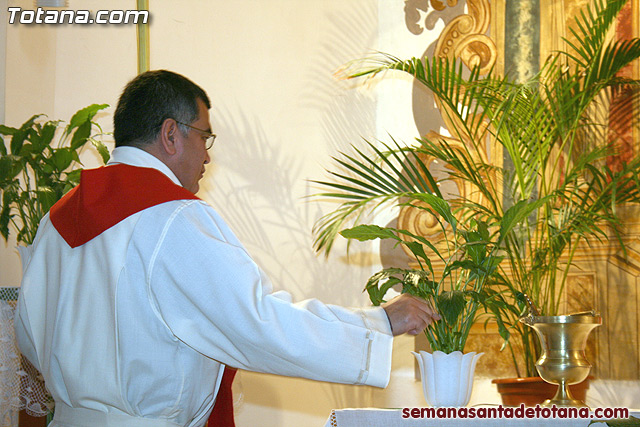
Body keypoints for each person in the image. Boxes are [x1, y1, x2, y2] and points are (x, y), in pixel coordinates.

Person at [14, 70, 439, 427]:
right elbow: (257, 321)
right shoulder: (173, 216)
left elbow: (29, 336)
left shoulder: (56, 218)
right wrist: (378, 322)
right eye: (205, 137)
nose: (207, 156)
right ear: (169, 134)